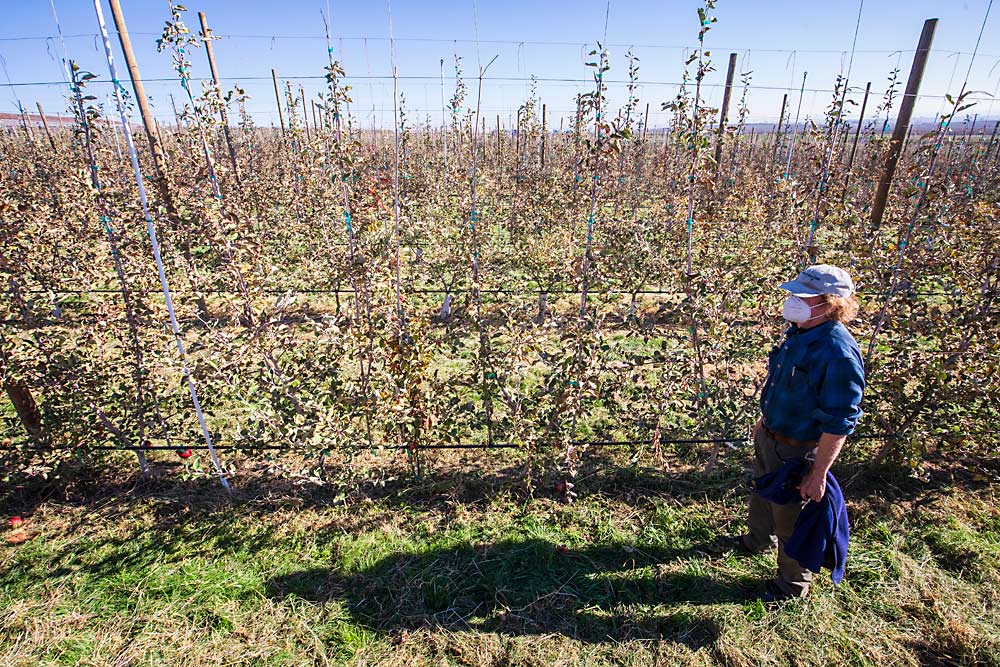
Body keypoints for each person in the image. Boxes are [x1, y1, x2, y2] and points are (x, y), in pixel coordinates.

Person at [730, 264, 866, 602]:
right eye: (794, 294)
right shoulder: (800, 332)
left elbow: (840, 420)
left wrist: (818, 473)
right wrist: (766, 420)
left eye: (804, 296)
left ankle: (791, 586)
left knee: (792, 517)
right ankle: (756, 540)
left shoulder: (837, 352)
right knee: (762, 493)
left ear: (831, 304)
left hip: (799, 451)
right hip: (772, 437)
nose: (794, 301)